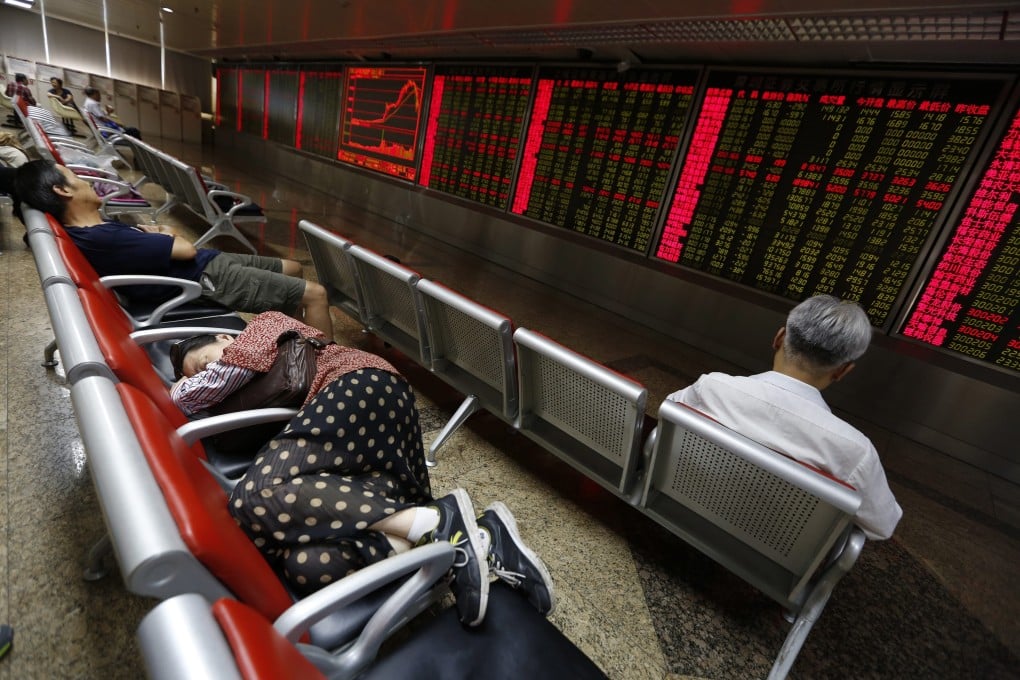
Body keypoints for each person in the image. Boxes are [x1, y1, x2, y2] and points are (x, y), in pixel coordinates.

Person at [170, 311, 555, 627]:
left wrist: (182, 387)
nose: (210, 372)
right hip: (358, 440)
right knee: (307, 567)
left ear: (223, 337)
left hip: (359, 386)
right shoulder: (243, 357)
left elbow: (199, 392)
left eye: (205, 363)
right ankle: (477, 540)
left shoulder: (261, 327)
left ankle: (440, 523)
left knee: (252, 498)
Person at [14, 159, 334, 340]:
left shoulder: (93, 231)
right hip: (203, 276)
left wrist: (164, 237)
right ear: (62, 190)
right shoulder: (104, 237)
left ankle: (291, 338)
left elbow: (177, 246)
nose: (85, 180)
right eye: (74, 177)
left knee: (292, 268)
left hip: (205, 264)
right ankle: (326, 370)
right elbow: (185, 250)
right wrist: (166, 232)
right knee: (316, 293)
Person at [667, 294, 902, 540]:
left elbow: (667, 420)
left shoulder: (712, 387)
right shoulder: (856, 451)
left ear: (779, 339)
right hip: (772, 551)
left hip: (683, 509)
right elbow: (881, 526)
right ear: (843, 371)